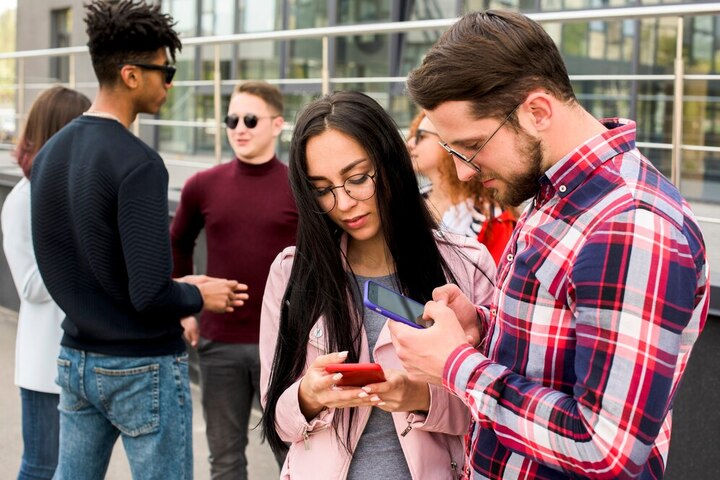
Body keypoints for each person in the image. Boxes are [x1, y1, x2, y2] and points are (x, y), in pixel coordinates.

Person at [389, 10, 709, 480]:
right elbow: (559, 339)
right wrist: (481, 325)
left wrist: (458, 366)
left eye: (472, 146)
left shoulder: (631, 226)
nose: (462, 172)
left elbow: (603, 449)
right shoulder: (556, 190)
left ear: (537, 111)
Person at [29, 2, 246, 479]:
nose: (170, 82)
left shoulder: (48, 156)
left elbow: (72, 263)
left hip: (76, 358)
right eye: (164, 70)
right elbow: (149, 294)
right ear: (130, 75)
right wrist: (199, 294)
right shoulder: (139, 164)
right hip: (140, 366)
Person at [259, 91, 497, 479]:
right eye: (322, 189)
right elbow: (277, 421)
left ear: (391, 163)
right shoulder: (291, 273)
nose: (344, 202)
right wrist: (309, 395)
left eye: (357, 178)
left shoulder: (464, 264)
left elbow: (493, 410)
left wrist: (418, 397)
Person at [171, 80, 298, 479]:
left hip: (285, 346)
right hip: (219, 343)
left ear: (277, 124)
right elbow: (177, 243)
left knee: (296, 456)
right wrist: (185, 308)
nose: (238, 128)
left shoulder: (300, 185)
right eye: (231, 119)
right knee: (225, 460)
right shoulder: (202, 185)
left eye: (250, 119)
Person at [1, 86, 90, 480]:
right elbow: (31, 287)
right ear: (63, 131)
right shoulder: (23, 198)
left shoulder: (71, 190)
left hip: (81, 358)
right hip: (43, 365)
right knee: (40, 466)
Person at [407, 110, 517, 263]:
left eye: (421, 137)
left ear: (450, 144)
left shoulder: (494, 219)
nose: (410, 144)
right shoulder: (405, 203)